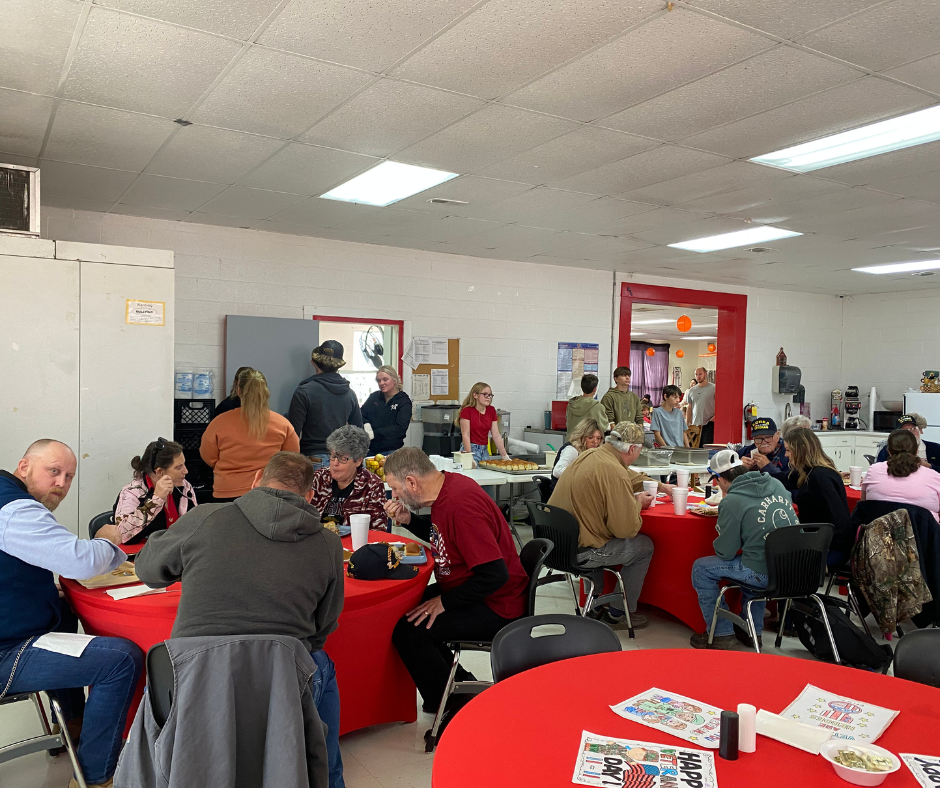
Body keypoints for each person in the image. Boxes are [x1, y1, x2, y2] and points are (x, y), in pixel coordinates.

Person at [134, 452, 346, 788]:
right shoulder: (328, 543)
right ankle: (322, 773)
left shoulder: (205, 517)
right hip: (282, 683)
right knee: (321, 663)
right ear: (309, 496)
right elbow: (323, 627)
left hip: (194, 681)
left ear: (256, 479)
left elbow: (147, 570)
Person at [0, 440, 143, 788]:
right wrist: (109, 540)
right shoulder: (14, 508)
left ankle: (74, 725)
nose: (62, 484)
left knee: (62, 608)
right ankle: (94, 778)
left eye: (69, 476)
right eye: (54, 472)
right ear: (23, 467)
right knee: (121, 659)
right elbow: (82, 561)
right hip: (6, 651)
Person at [383, 448, 527, 732]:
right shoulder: (446, 489)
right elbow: (443, 536)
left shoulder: (461, 506)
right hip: (475, 590)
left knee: (410, 631)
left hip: (497, 603)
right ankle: (455, 685)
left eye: (395, 488)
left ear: (412, 482)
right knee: (405, 609)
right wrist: (410, 520)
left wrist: (444, 602)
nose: (396, 496)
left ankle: (452, 707)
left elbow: (494, 575)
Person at [549, 422, 665, 629]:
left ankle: (595, 603)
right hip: (582, 552)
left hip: (556, 545)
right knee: (644, 546)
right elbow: (625, 529)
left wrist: (663, 486)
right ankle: (619, 613)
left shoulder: (589, 455)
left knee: (600, 532)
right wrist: (637, 504)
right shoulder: (614, 472)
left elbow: (630, 476)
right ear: (632, 449)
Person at [690, 449, 798, 650]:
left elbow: (726, 552)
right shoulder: (776, 484)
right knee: (754, 559)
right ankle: (751, 630)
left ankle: (721, 633)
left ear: (721, 479)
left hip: (763, 573)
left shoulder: (732, 501)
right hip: (794, 568)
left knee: (701, 568)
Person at [200, 369, 299, 501]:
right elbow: (291, 458)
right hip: (268, 490)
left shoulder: (219, 423)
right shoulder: (283, 424)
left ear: (239, 391)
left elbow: (208, 456)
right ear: (265, 391)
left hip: (227, 491)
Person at [287, 340, 363, 471]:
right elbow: (358, 432)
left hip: (313, 459)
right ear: (338, 365)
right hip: (342, 460)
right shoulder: (350, 394)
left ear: (314, 362)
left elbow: (293, 432)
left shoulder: (304, 391)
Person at [785, 428, 852, 564]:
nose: (786, 455)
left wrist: (821, 551)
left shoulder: (819, 477)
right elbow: (785, 479)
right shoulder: (812, 471)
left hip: (830, 548)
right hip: (823, 542)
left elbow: (839, 521)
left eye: (788, 450)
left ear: (801, 450)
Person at [114, 438, 198, 544]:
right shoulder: (132, 492)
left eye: (184, 465)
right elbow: (122, 535)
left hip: (177, 549)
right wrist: (155, 501)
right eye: (179, 467)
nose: (186, 471)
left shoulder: (184, 486)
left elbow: (195, 524)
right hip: (146, 554)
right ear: (160, 472)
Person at [311, 425, 388, 530]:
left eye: (343, 458)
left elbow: (378, 530)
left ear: (358, 461)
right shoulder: (319, 478)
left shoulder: (372, 485)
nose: (335, 463)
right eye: (333, 456)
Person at [863, 429, 940, 521]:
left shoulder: (873, 470)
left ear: (889, 451)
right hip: (923, 534)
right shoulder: (934, 477)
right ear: (916, 451)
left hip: (878, 533)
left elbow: (863, 505)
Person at [361, 365, 413, 455]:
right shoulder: (374, 397)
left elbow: (400, 428)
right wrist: (366, 425)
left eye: (385, 379)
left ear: (394, 380)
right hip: (371, 450)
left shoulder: (403, 401)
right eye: (379, 380)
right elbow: (361, 414)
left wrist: (375, 433)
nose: (381, 383)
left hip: (392, 451)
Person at [459, 382, 509, 464]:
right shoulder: (467, 411)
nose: (488, 397)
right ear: (475, 395)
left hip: (484, 449)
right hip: (471, 448)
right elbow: (465, 435)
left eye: (490, 395)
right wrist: (469, 456)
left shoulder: (491, 410)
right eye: (485, 394)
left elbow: (496, 435)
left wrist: (505, 456)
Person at [551, 417, 605, 489]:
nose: (595, 442)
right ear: (582, 436)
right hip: (562, 494)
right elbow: (557, 471)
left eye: (598, 438)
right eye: (590, 437)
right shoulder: (572, 450)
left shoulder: (592, 451)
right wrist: (582, 475)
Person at [875, 414, 940, 471]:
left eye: (913, 429)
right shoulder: (888, 449)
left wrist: (929, 466)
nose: (911, 433)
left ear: (920, 430)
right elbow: (880, 470)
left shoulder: (935, 448)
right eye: (905, 430)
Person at [737, 417, 790, 486]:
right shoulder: (745, 452)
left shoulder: (789, 453)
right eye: (758, 439)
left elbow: (791, 483)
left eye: (768, 437)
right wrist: (739, 468)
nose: (764, 442)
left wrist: (768, 467)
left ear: (777, 435)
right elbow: (725, 477)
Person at [565, 374, 611, 441]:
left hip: (572, 442)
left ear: (581, 387)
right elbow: (604, 427)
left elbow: (567, 423)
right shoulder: (597, 406)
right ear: (595, 389)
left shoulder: (571, 404)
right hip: (587, 444)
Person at [683, 367, 716, 445]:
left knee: (706, 447)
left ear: (705, 374)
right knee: (694, 447)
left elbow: (720, 404)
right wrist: (687, 424)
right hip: (695, 423)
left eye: (700, 374)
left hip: (709, 423)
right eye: (696, 374)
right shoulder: (691, 390)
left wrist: (715, 417)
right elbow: (689, 407)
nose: (698, 376)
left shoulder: (714, 388)